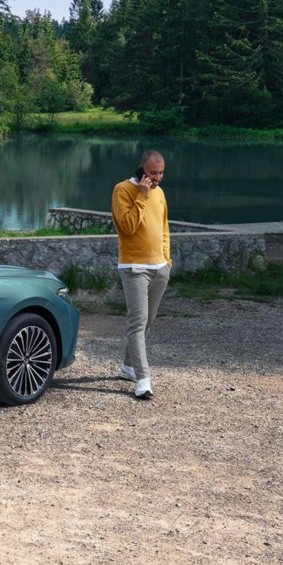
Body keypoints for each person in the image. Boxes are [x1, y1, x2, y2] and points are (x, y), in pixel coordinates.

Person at [111, 150, 169, 399]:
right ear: (141, 170)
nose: (156, 178)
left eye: (160, 173)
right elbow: (127, 226)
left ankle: (127, 366)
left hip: (159, 267)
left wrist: (167, 259)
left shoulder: (160, 193)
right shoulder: (123, 190)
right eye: (152, 173)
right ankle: (143, 379)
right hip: (134, 268)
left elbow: (165, 227)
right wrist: (142, 196)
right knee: (137, 323)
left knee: (148, 322)